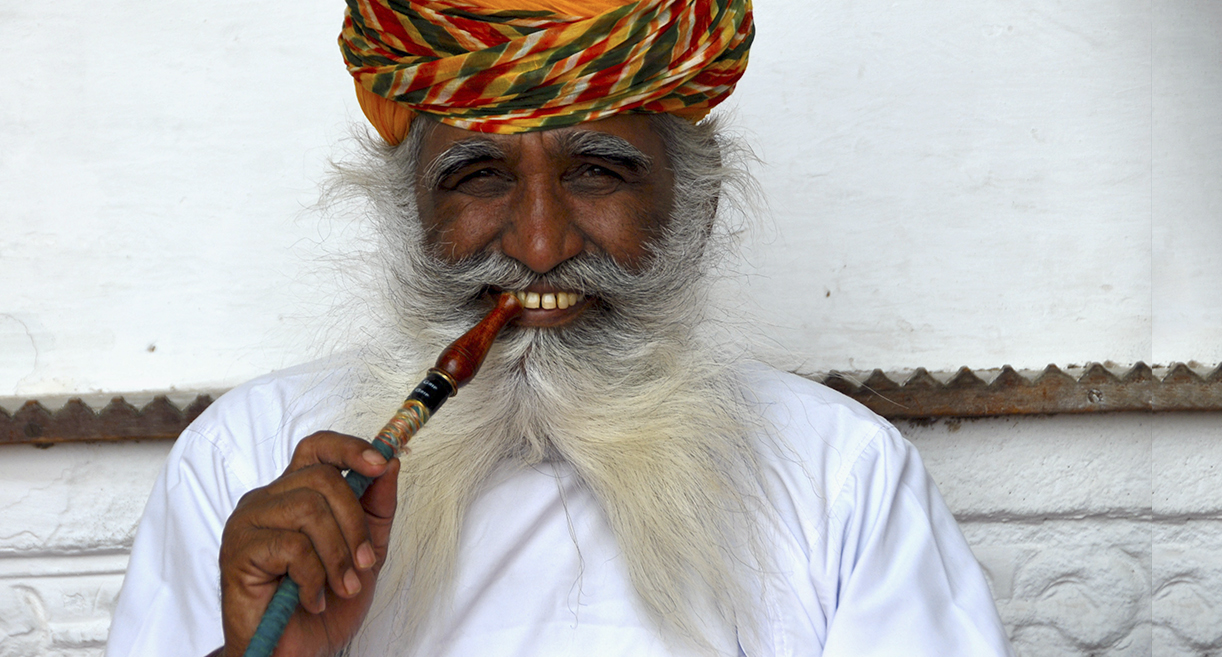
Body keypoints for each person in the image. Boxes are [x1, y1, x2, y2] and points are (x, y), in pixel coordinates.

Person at [106, 0, 1014, 655]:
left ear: (692, 207)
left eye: (599, 171)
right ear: (408, 211)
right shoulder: (245, 463)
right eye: (478, 176)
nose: (539, 247)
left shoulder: (836, 477)